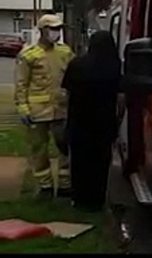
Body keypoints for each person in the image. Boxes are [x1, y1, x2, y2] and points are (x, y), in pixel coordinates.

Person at [14, 14, 74, 197]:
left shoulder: (65, 52)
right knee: (39, 149)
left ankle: (65, 185)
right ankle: (45, 185)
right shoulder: (28, 55)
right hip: (37, 111)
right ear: (42, 30)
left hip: (61, 109)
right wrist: (23, 108)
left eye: (58, 29)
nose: (56, 33)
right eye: (52, 29)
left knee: (65, 147)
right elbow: (21, 83)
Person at [61, 31, 121, 211]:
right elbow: (120, 94)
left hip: (79, 122)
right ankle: (97, 200)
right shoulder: (114, 66)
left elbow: (66, 91)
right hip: (104, 124)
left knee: (80, 162)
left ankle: (79, 199)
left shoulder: (77, 64)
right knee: (100, 163)